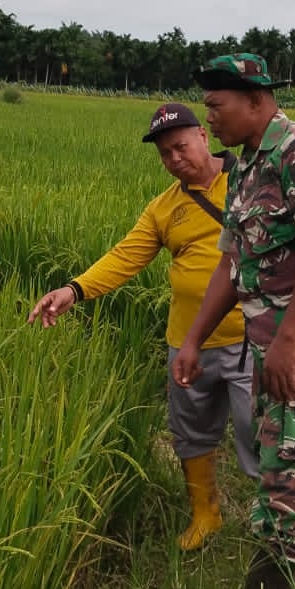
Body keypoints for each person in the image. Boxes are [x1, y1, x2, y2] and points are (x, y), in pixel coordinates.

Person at [173, 53, 295, 589]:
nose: (209, 118)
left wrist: (288, 339)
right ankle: (283, 576)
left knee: (293, 457)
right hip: (271, 337)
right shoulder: (247, 166)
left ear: (256, 99)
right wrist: (193, 339)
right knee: (276, 450)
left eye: (216, 106)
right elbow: (231, 263)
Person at [28, 102, 258, 551]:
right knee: (190, 431)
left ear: (203, 138)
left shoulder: (249, 183)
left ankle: (276, 525)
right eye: (164, 154)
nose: (174, 158)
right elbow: (125, 257)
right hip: (187, 343)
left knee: (260, 431)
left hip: (250, 341)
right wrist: (74, 290)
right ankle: (205, 515)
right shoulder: (164, 208)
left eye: (180, 146)